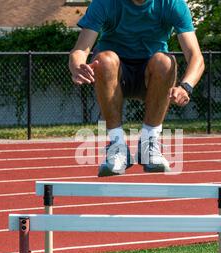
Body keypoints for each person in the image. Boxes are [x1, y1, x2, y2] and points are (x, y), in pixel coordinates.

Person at [69, 0, 205, 177]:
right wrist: (77, 66)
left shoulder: (172, 3)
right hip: (114, 74)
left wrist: (186, 87)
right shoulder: (105, 3)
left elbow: (196, 57)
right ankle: (116, 145)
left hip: (152, 75)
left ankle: (150, 144)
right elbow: (79, 50)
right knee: (104, 60)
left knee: (165, 61)